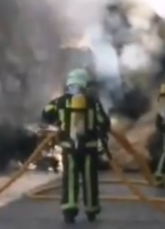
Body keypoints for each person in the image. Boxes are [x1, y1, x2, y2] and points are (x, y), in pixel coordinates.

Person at [41, 69, 110, 224]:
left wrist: (58, 123)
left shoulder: (59, 102)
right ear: (85, 84)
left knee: (70, 179)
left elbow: (45, 114)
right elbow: (104, 122)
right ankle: (91, 209)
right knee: (89, 179)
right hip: (89, 148)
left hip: (69, 148)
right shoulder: (93, 102)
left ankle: (69, 210)